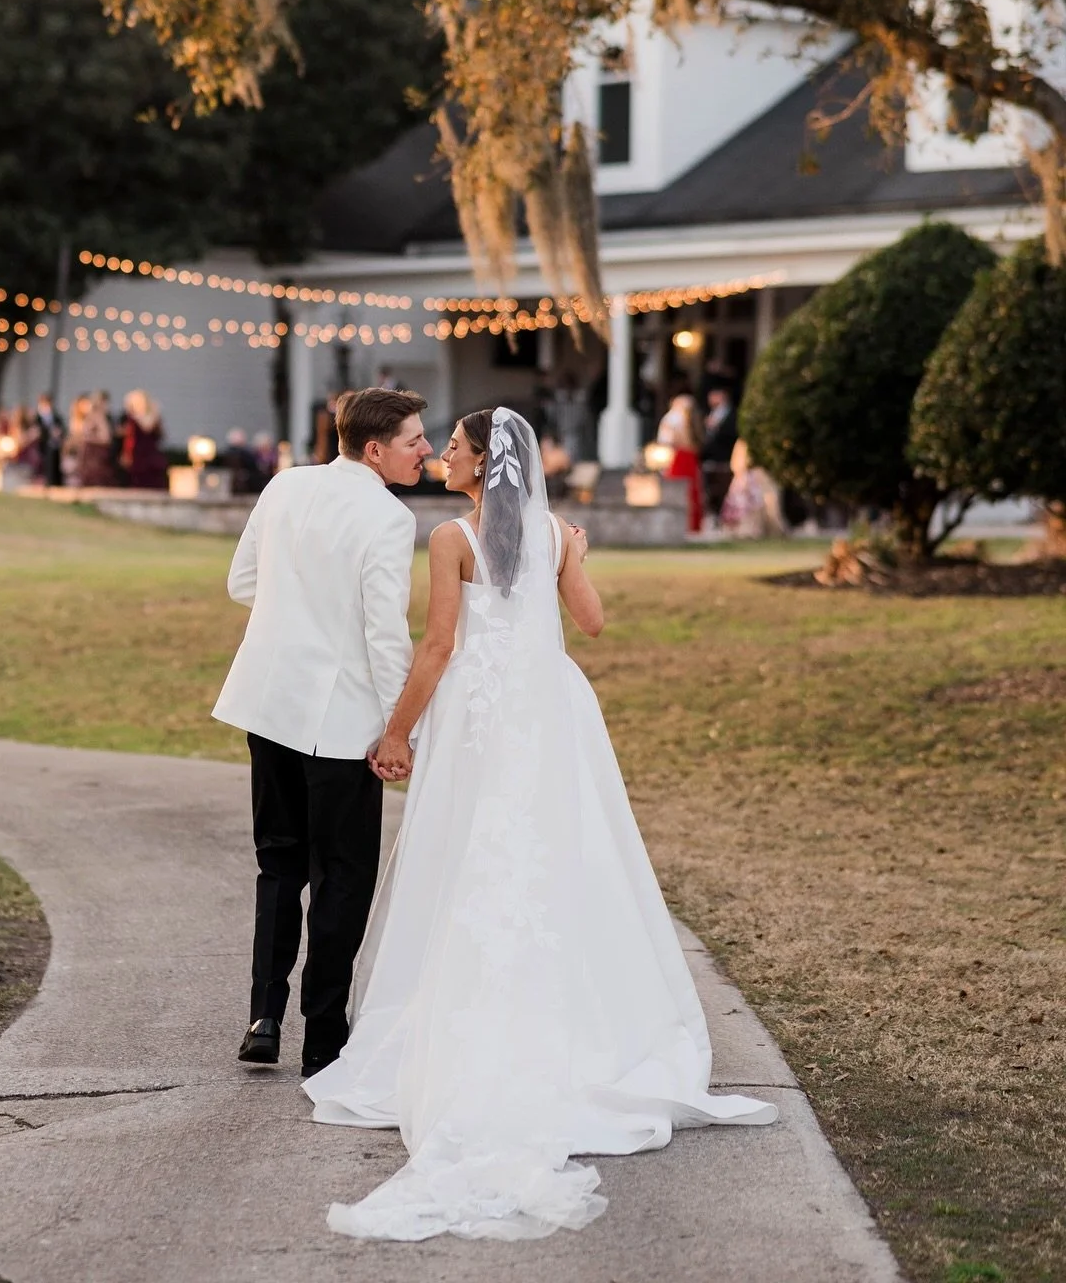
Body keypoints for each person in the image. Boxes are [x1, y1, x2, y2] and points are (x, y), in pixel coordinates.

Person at [305, 408, 777, 1242]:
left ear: (484, 463)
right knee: (562, 854)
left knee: (468, 858)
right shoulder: (557, 533)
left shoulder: (451, 538)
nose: (442, 455)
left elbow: (440, 646)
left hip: (483, 717)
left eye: (452, 446)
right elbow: (589, 625)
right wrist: (578, 556)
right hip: (550, 712)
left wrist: (397, 731)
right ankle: (582, 1025)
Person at [213, 387, 432, 1077]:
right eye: (414, 441)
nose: (425, 450)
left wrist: (298, 607)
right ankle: (325, 1039)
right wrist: (401, 727)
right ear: (375, 450)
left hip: (268, 703)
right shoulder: (390, 519)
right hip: (340, 724)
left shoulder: (284, 486)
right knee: (342, 877)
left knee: (278, 864)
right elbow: (385, 635)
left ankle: (264, 1016)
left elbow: (242, 582)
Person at [657, 391, 704, 533]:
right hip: (682, 457)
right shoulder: (678, 419)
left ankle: (690, 524)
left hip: (683, 457)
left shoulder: (681, 419)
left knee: (689, 490)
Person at [699, 384, 739, 522]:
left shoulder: (732, 414)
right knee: (711, 488)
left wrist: (717, 427)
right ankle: (715, 514)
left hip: (724, 457)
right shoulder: (711, 412)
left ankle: (722, 516)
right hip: (711, 457)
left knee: (723, 488)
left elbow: (733, 433)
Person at [119, 390, 167, 490]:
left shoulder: (153, 417)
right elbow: (128, 439)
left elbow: (149, 429)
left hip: (150, 453)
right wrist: (126, 453)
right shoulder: (130, 419)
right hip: (137, 455)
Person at [76, 391, 117, 488]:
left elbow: (105, 437)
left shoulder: (100, 416)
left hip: (97, 455)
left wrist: (89, 438)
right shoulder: (95, 416)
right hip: (92, 454)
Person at [33, 391, 63, 488]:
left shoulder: (56, 417)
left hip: (55, 444)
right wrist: (50, 433)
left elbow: (62, 428)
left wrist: (58, 432)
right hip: (43, 445)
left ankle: (56, 481)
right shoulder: (37, 418)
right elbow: (37, 431)